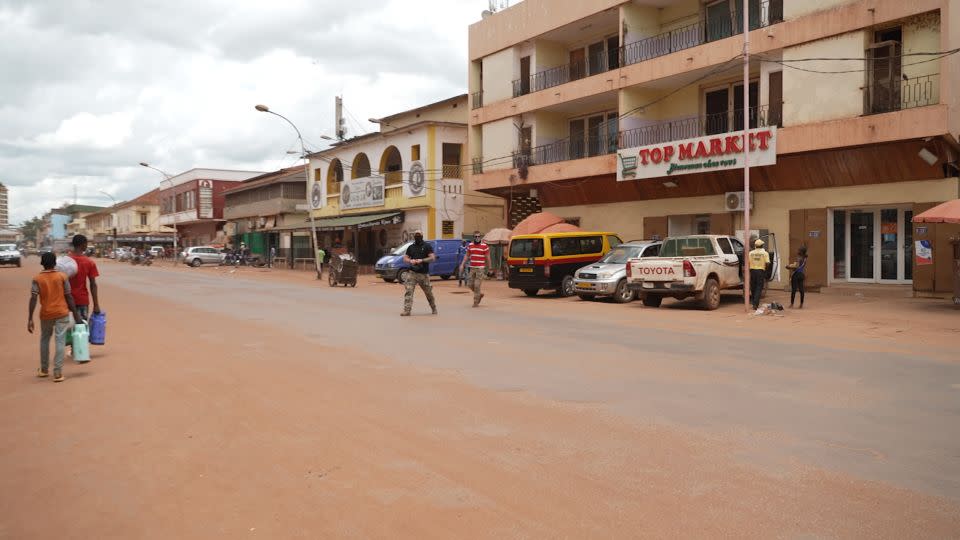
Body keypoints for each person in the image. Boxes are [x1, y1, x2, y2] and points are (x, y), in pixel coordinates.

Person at [28, 252, 84, 382]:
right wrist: (76, 314)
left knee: (44, 340)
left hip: (46, 314)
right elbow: (69, 296)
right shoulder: (62, 276)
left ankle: (43, 369)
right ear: (55, 264)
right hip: (61, 312)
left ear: (42, 264)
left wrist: (30, 318)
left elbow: (33, 298)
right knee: (60, 341)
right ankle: (58, 373)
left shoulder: (37, 278)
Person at [401, 230, 437, 316]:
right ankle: (407, 310)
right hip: (412, 273)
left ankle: (433, 307)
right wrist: (411, 261)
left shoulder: (427, 246)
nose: (417, 236)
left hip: (423, 274)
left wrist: (422, 260)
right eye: (416, 235)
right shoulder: (411, 247)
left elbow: (433, 258)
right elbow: (405, 258)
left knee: (428, 293)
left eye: (419, 235)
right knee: (408, 291)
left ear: (422, 235)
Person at [67, 234, 101, 322]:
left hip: (65, 300)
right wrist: (96, 305)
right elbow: (93, 284)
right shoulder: (89, 262)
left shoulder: (64, 261)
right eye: (86, 244)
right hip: (82, 300)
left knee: (67, 331)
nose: (87, 246)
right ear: (82, 245)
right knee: (81, 331)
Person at [460, 231, 491, 307]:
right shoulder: (470, 245)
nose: (477, 238)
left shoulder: (484, 246)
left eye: (478, 236)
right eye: (475, 236)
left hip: (480, 269)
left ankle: (475, 302)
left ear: (480, 237)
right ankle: (479, 294)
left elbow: (488, 258)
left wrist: (489, 268)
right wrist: (462, 264)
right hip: (472, 268)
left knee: (477, 285)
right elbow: (467, 255)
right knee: (470, 284)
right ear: (473, 237)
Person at [748, 238, 770, 311]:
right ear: (762, 245)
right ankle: (755, 304)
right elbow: (767, 263)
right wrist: (766, 272)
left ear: (755, 245)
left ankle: (754, 301)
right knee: (759, 287)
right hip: (760, 271)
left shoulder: (751, 253)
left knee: (753, 287)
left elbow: (748, 262)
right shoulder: (765, 253)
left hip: (752, 271)